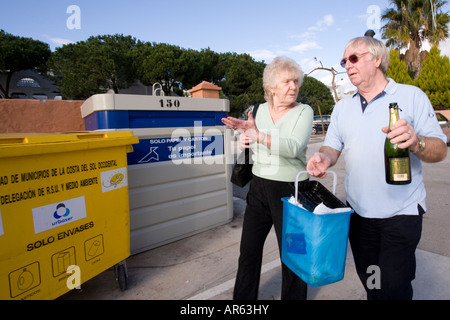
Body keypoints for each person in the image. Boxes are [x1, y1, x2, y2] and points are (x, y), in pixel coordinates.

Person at [307, 36, 447, 300]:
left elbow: (439, 149)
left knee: (394, 287)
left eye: (354, 58)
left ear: (377, 59)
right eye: (343, 61)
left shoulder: (411, 96)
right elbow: (331, 147)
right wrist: (323, 158)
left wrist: (417, 143)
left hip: (401, 213)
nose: (347, 65)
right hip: (358, 215)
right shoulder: (342, 107)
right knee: (372, 282)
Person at [221, 56, 313, 300]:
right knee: (249, 251)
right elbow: (247, 142)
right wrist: (243, 139)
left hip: (292, 189)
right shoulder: (257, 110)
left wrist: (259, 135)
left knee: (293, 256)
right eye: (286, 82)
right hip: (259, 187)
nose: (293, 87)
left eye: (296, 81)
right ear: (271, 87)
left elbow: (293, 147)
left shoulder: (304, 111)